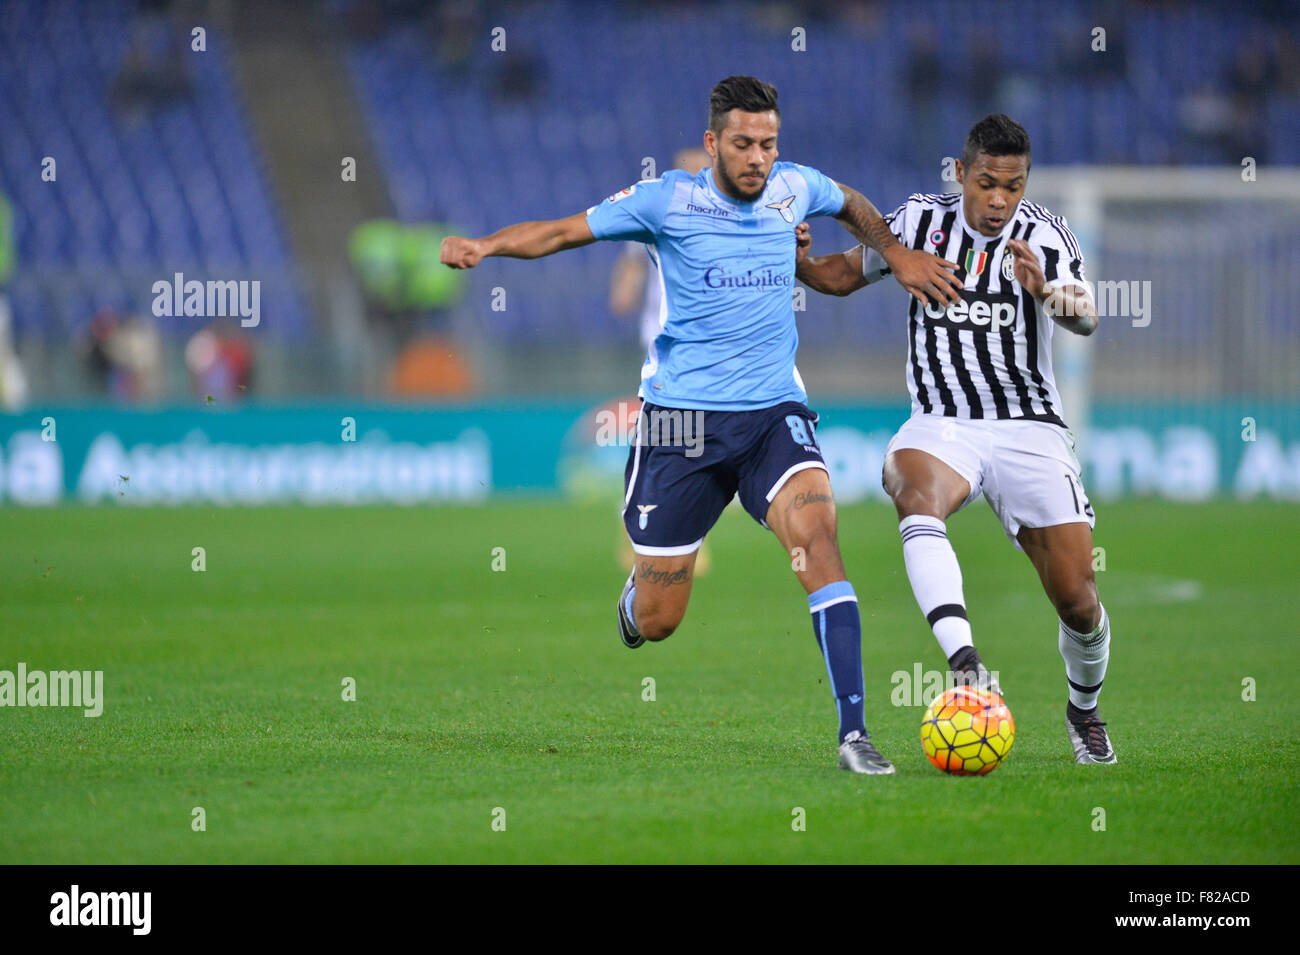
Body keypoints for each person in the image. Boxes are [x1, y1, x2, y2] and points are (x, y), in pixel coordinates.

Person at [442, 75, 961, 774]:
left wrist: (895, 252)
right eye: (743, 144)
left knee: (819, 537)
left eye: (769, 144)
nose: (758, 158)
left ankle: (854, 733)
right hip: (679, 426)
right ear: (713, 143)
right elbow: (564, 231)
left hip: (773, 415)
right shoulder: (666, 200)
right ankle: (635, 604)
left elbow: (854, 205)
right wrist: (486, 247)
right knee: (661, 619)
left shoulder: (794, 187)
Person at [794, 114, 1116, 764]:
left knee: (1078, 599)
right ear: (962, 173)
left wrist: (1046, 290)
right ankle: (966, 665)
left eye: (1014, 186)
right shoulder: (916, 223)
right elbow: (839, 276)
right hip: (943, 422)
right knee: (913, 488)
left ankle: (1083, 710)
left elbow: (1087, 317)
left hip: (1031, 428)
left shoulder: (1045, 234)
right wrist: (795, 259)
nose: (1000, 200)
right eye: (988, 183)